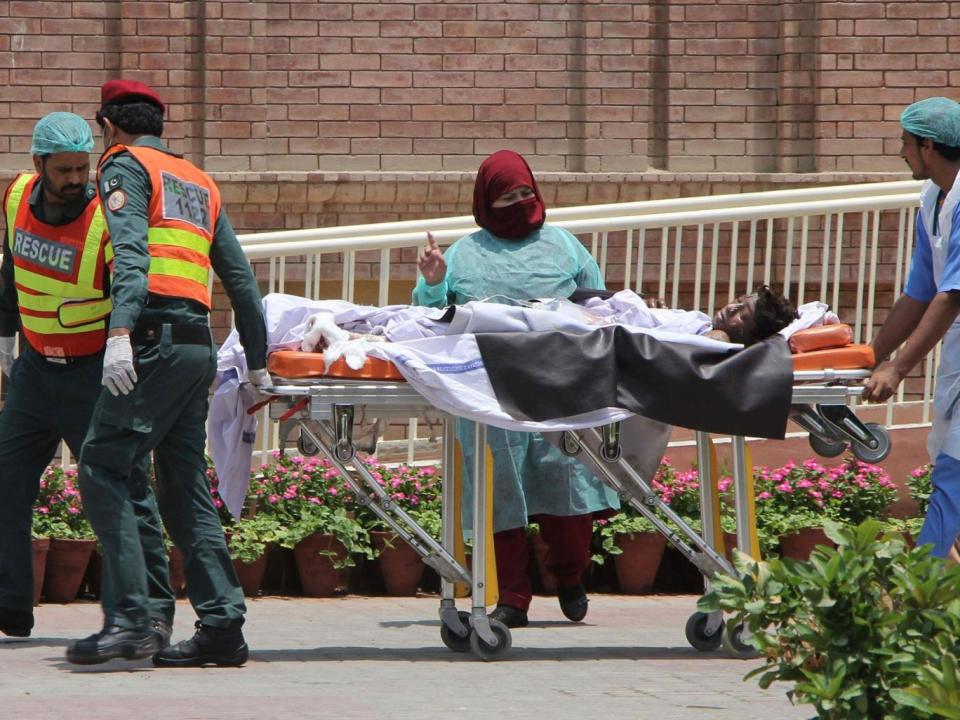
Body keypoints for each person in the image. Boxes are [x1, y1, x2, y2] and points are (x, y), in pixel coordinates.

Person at [66, 80, 270, 666]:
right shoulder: (199, 180)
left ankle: (132, 620)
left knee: (102, 464)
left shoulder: (124, 165)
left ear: (108, 125)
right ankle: (222, 627)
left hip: (152, 339)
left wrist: (121, 333)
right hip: (195, 347)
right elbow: (241, 282)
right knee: (183, 488)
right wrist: (256, 361)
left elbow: (131, 255)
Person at [413, 149, 618, 628]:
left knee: (566, 481)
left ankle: (569, 575)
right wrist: (433, 282)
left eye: (526, 192)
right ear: (487, 201)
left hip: (560, 384)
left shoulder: (566, 246)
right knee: (500, 489)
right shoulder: (464, 253)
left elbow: (598, 305)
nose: (521, 202)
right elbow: (429, 319)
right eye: (508, 196)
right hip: (489, 388)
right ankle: (511, 597)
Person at [0, 112, 173, 643]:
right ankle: (10, 606)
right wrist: (5, 338)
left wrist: (124, 349)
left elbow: (130, 285)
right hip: (32, 373)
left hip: (91, 375)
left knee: (121, 488)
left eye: (82, 168)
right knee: (6, 480)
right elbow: (11, 268)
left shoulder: (104, 215)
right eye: (65, 170)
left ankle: (153, 612)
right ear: (38, 165)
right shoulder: (15, 197)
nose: (77, 179)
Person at [863, 96, 960, 559]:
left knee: (953, 474)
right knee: (950, 462)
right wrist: (867, 358)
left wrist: (898, 369)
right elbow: (920, 289)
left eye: (905, 142)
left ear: (927, 146)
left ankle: (920, 590)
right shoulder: (932, 200)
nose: (901, 152)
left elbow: (953, 293)